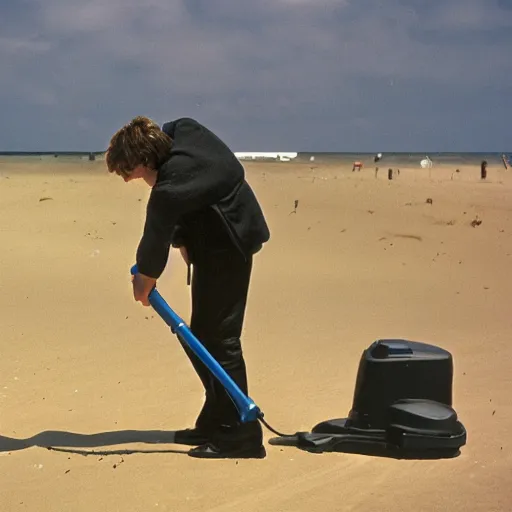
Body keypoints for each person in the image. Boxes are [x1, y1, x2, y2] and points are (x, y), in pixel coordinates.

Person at [105, 116, 270, 459]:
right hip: (212, 242)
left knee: (220, 339)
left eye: (129, 169)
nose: (128, 177)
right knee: (202, 335)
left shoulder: (171, 182)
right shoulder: (181, 135)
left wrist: (144, 281)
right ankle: (217, 416)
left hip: (231, 245)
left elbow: (157, 229)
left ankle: (240, 433)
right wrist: (184, 240)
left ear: (147, 158)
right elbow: (189, 199)